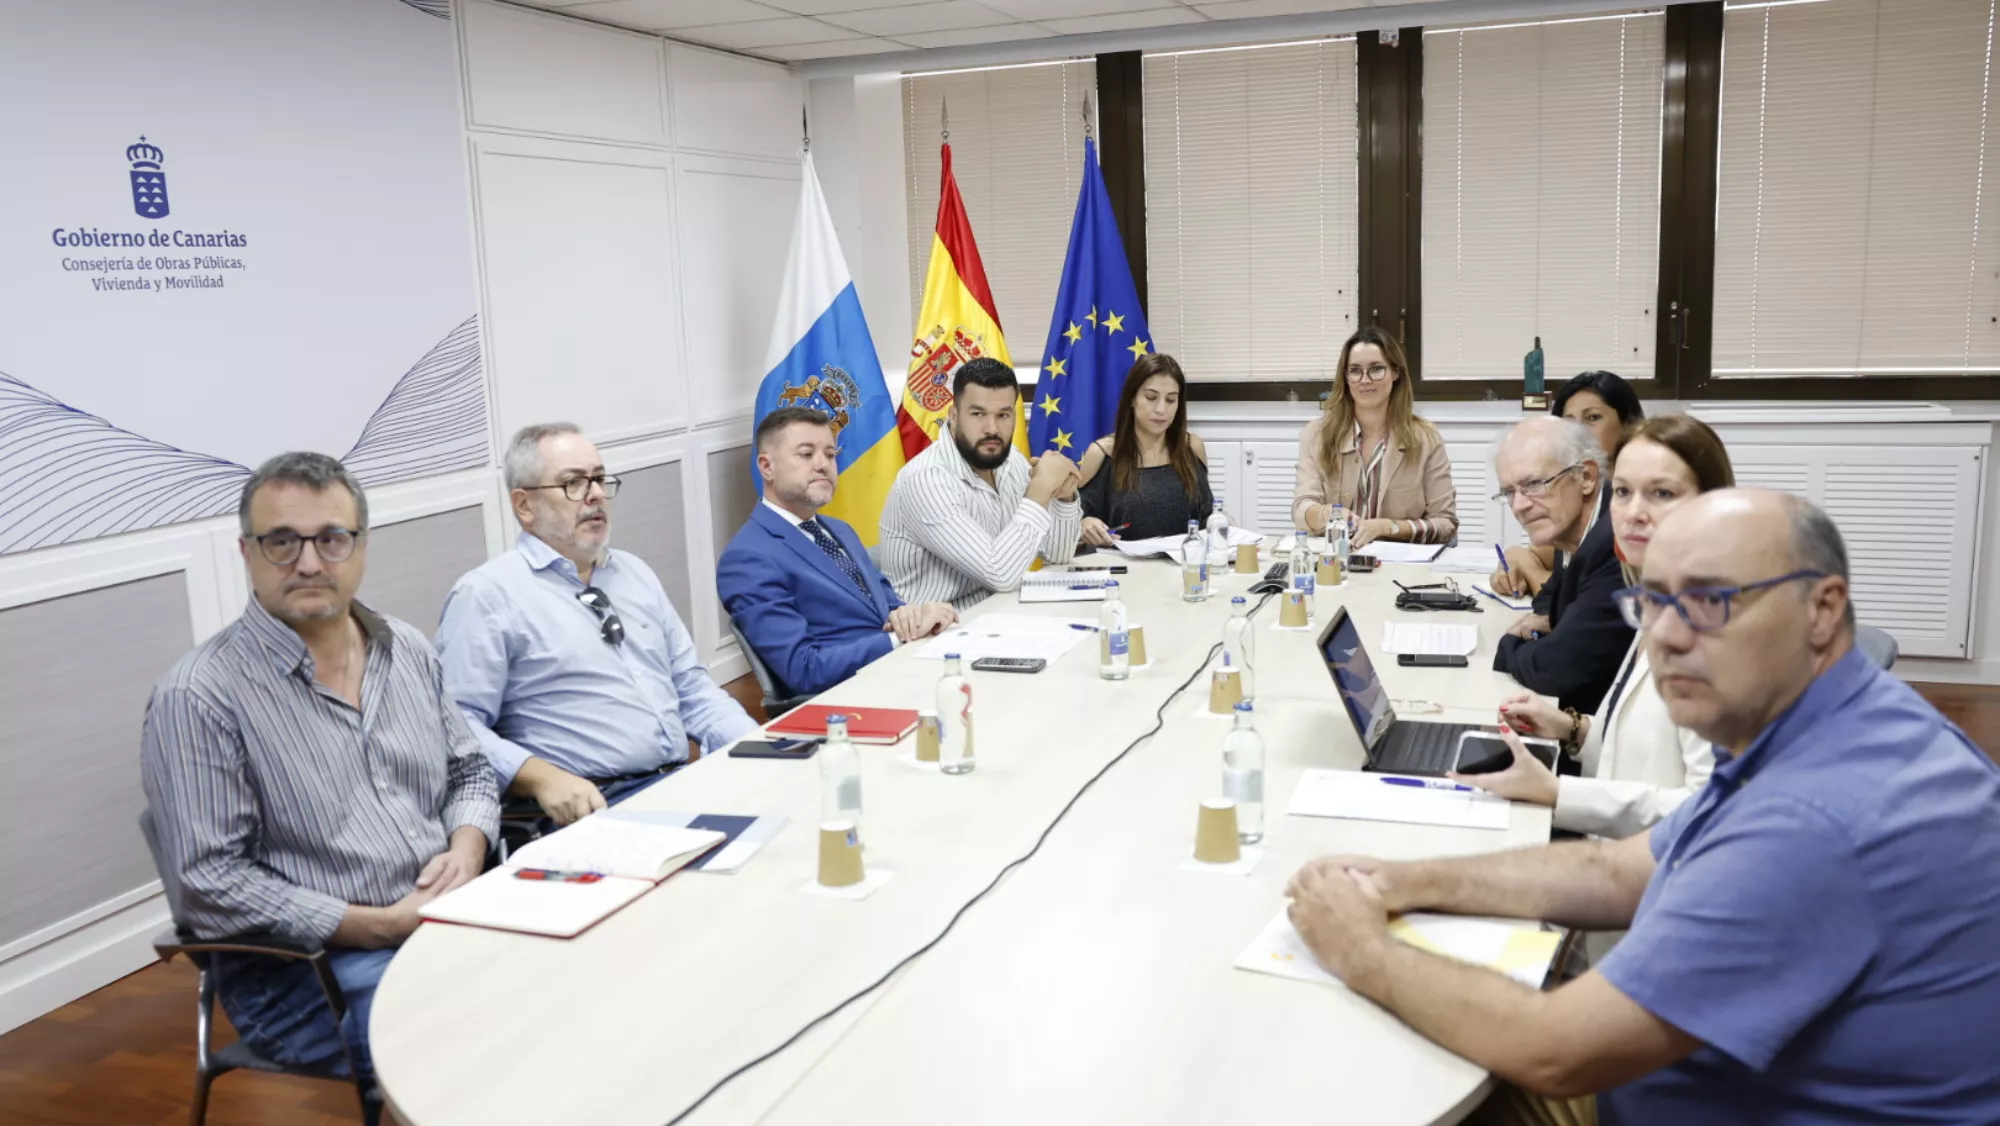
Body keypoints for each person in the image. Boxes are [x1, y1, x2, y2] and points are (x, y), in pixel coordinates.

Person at [1285, 489, 2000, 1125]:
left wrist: (1359, 946)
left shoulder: (1815, 821)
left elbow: (1555, 1051)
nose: (1666, 636)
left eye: (1711, 601)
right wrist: (1404, 881)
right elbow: (1619, 874)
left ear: (1824, 609)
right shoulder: (1827, 726)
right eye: (1653, 603)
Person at [140, 453, 498, 1115]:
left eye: (331, 538)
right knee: (486, 1029)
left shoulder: (408, 649)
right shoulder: (199, 697)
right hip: (309, 972)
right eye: (282, 542)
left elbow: (469, 770)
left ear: (360, 547)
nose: (308, 563)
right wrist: (377, 926)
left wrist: (469, 847)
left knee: (578, 983)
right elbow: (208, 883)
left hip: (446, 916)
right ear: (246, 554)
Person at [435, 423, 757, 827]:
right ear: (523, 505)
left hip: (679, 785)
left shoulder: (633, 573)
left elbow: (690, 689)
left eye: (599, 479)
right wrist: (538, 775)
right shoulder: (487, 595)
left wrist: (758, 746)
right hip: (594, 808)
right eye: (572, 483)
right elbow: (458, 727)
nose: (595, 495)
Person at [1460, 418, 1731, 880]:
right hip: (1615, 856)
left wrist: (1556, 794)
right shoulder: (1654, 598)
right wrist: (1570, 730)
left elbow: (1715, 812)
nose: (1631, 513)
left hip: (1666, 895)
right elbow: (1645, 748)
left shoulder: (1721, 634)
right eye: (1623, 492)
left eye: (1661, 493)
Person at [719, 406, 958, 697]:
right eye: (806, 454)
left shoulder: (839, 529)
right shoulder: (748, 559)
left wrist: (918, 616)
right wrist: (898, 638)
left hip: (902, 673)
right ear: (767, 466)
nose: (823, 465)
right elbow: (803, 670)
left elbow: (889, 607)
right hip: (848, 702)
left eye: (830, 455)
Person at [878, 357, 1083, 608]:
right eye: (978, 414)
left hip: (997, 618)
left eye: (1003, 415)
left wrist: (1063, 496)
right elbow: (1000, 574)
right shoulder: (925, 480)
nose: (991, 428)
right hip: (933, 634)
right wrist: (1040, 490)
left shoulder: (1009, 461)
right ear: (953, 415)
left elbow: (1057, 556)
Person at [1491, 417, 1634, 715]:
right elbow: (1550, 600)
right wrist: (1555, 624)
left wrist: (1509, 644)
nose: (1519, 505)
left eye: (1534, 484)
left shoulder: (1616, 543)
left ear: (1587, 477)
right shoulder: (1569, 529)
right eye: (1509, 492)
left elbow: (1555, 670)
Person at [1291, 325, 1457, 548]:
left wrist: (1388, 527)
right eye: (1355, 370)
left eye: (1376, 369)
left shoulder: (1426, 438)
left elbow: (1445, 524)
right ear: (1346, 377)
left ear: (1395, 373)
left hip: (1401, 566)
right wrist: (1326, 514)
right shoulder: (1317, 435)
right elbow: (1302, 508)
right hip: (1336, 562)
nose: (1365, 380)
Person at [1494, 371, 1644, 597]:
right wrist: (1515, 560)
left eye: (1593, 418)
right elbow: (1536, 555)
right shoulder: (1571, 496)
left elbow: (1568, 591)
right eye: (1569, 422)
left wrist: (1529, 570)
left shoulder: (1631, 505)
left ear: (1627, 424)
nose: (1579, 431)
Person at [1076, 353, 1215, 547]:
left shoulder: (1192, 447)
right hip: (1125, 569)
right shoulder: (1102, 454)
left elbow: (1205, 516)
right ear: (1132, 398)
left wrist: (1221, 523)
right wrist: (1085, 523)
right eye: (1151, 397)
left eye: (1171, 400)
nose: (1161, 409)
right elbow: (1078, 521)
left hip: (1184, 566)